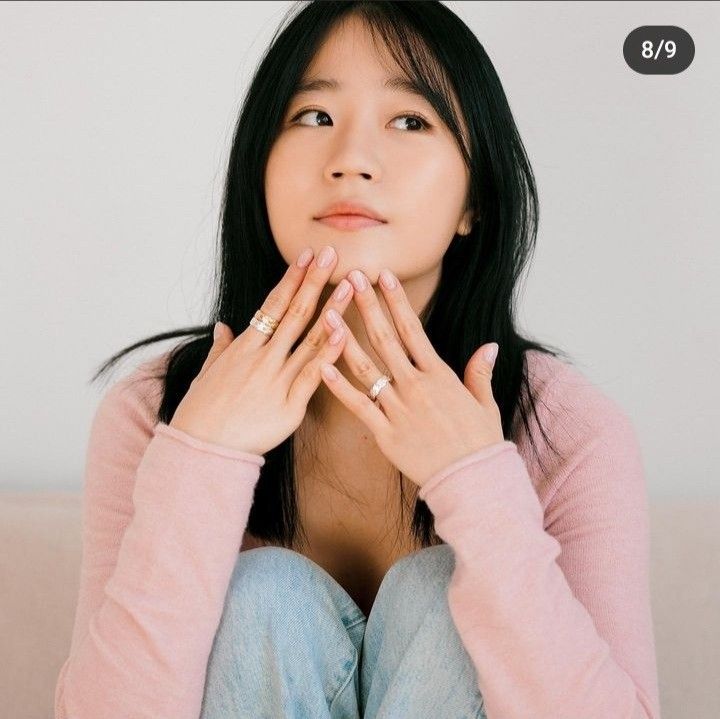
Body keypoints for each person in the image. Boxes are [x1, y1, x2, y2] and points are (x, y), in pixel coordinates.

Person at [54, 2, 661, 718]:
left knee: (447, 594)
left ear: (475, 200)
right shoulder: (156, 411)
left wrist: (478, 488)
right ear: (261, 171)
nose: (349, 159)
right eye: (313, 116)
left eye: (411, 120)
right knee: (262, 598)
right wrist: (201, 457)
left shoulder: (569, 430)